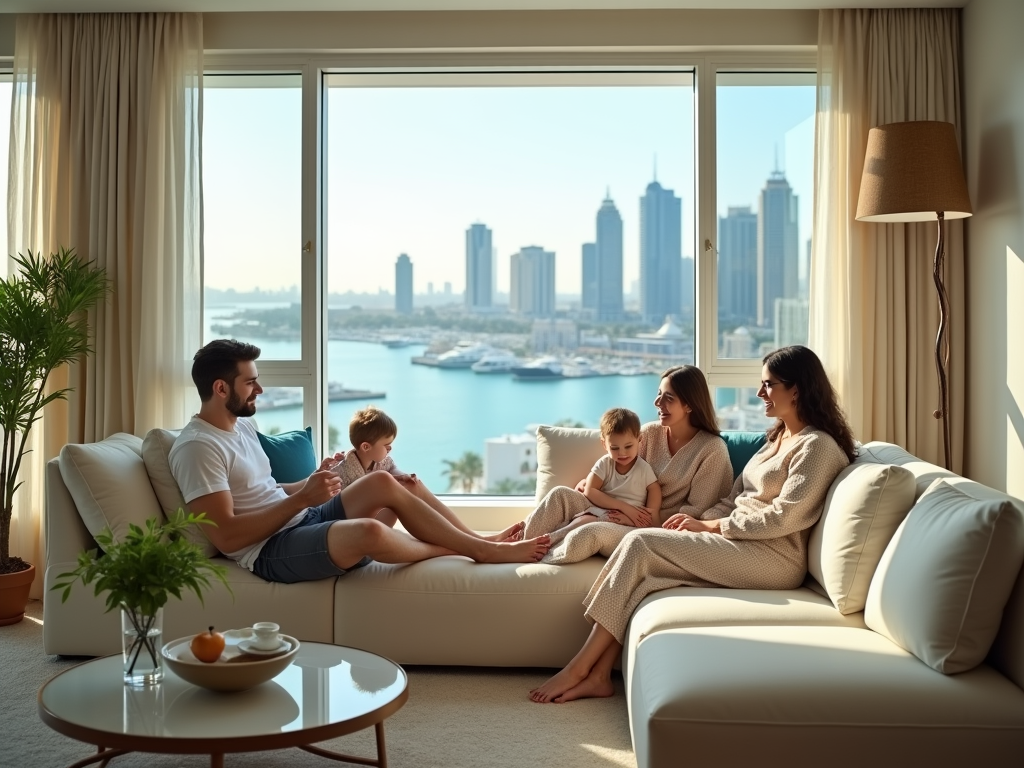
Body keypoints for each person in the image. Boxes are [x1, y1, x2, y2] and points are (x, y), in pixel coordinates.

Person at [529, 345, 857, 704]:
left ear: (796, 388)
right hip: (742, 543)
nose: (761, 393)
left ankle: (579, 668)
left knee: (640, 543)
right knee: (649, 578)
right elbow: (733, 501)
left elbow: (783, 517)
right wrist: (697, 522)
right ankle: (600, 676)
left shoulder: (817, 447)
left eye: (768, 385)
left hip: (774, 556)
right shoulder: (776, 439)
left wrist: (710, 528)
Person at [169, 339, 549, 585]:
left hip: (301, 518)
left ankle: (477, 540)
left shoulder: (240, 428)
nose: (260, 389)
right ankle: (477, 549)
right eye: (250, 382)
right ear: (221, 389)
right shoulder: (198, 448)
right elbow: (227, 534)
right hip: (269, 550)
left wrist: (312, 482)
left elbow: (262, 491)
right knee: (370, 532)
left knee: (390, 484)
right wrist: (302, 500)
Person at [520, 365, 734, 565]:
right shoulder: (649, 433)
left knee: (589, 532)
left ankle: (536, 554)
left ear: (689, 405)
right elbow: (620, 466)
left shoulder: (712, 450)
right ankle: (517, 546)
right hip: (613, 507)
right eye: (658, 394)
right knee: (560, 495)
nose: (657, 403)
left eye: (668, 398)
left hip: (652, 529)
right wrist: (592, 483)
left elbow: (696, 514)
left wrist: (636, 518)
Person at [332, 404, 524, 542]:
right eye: (386, 445)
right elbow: (334, 507)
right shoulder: (344, 469)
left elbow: (393, 469)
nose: (390, 449)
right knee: (400, 494)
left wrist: (405, 478)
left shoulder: (380, 460)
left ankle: (476, 537)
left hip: (374, 518)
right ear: (366, 447)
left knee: (413, 484)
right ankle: (475, 541)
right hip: (356, 528)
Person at [540, 407, 661, 540]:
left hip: (629, 522)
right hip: (603, 512)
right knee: (564, 499)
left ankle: (551, 539)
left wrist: (647, 515)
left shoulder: (643, 469)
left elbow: (654, 493)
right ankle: (541, 538)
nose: (622, 453)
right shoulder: (605, 464)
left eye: (628, 446)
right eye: (614, 448)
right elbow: (590, 490)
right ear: (604, 444)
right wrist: (623, 507)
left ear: (639, 440)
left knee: (588, 525)